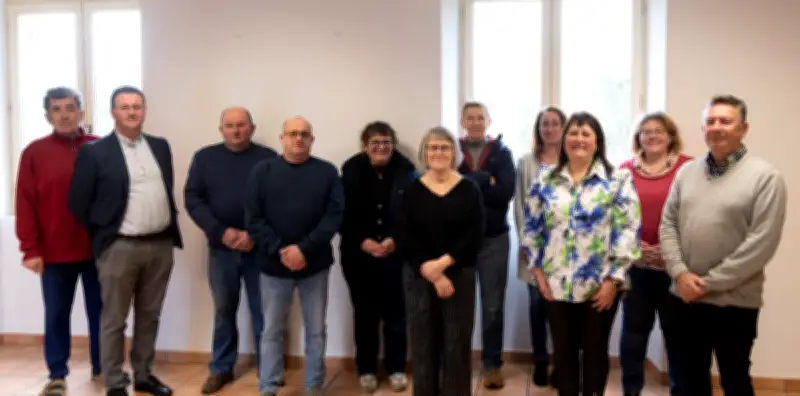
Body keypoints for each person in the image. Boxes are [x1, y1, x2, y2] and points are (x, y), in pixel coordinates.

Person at [660, 95, 787, 396]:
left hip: (734, 303)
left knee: (735, 381)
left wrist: (707, 283)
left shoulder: (765, 177)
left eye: (726, 121)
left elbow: (761, 244)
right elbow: (668, 226)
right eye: (711, 121)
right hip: (684, 298)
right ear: (703, 127)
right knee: (688, 382)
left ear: (743, 129)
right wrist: (680, 274)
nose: (717, 127)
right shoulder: (686, 173)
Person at [69, 85, 183, 396]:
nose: (132, 112)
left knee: (150, 315)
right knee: (114, 318)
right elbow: (79, 202)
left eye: (138, 106)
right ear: (113, 112)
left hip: (160, 245)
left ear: (144, 110)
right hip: (119, 247)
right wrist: (104, 232)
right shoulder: (94, 152)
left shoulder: (160, 146)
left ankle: (144, 375)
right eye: (125, 107)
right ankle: (116, 381)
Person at [522, 112, 641, 396]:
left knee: (595, 354)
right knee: (563, 356)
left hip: (600, 286)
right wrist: (538, 273)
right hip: (555, 286)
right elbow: (531, 228)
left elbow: (628, 229)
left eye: (586, 133)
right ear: (564, 142)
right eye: (573, 133)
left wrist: (613, 280)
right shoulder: (545, 178)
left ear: (597, 142)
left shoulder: (618, 179)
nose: (578, 139)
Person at [245, 116, 344, 396]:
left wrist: (304, 249)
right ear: (282, 138)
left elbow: (333, 216)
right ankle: (269, 383)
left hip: (315, 265)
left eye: (304, 134)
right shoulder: (262, 171)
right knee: (272, 329)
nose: (298, 139)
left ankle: (313, 384)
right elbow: (253, 217)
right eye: (292, 134)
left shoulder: (327, 172)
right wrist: (280, 250)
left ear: (312, 139)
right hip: (273, 266)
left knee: (315, 330)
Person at [14, 87, 102, 396]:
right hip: (53, 253)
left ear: (81, 111)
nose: (64, 115)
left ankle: (103, 368)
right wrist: (30, 249)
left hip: (98, 250)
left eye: (69, 108)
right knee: (56, 315)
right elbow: (24, 203)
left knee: (103, 313)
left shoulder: (101, 147)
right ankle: (57, 374)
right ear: (48, 116)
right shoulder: (34, 153)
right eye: (57, 110)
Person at [184, 106, 278, 393]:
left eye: (241, 125)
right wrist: (221, 232)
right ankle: (221, 368)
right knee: (224, 311)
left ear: (252, 127)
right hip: (221, 250)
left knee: (264, 312)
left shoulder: (268, 158)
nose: (236, 131)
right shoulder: (205, 158)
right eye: (229, 126)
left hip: (258, 249)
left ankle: (269, 370)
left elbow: (277, 201)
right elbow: (193, 199)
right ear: (220, 129)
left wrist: (254, 234)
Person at [396, 126, 485, 396]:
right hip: (419, 276)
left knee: (457, 347)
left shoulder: (469, 189)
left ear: (454, 152)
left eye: (445, 147)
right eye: (433, 147)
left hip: (459, 276)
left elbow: (474, 234)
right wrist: (430, 270)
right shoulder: (411, 191)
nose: (439, 152)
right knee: (423, 346)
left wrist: (443, 265)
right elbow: (404, 234)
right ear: (424, 152)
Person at [339, 121, 416, 393]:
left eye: (386, 142)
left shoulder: (407, 170)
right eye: (375, 143)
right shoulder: (350, 170)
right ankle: (367, 369)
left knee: (396, 315)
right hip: (359, 257)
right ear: (365, 146)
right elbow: (341, 213)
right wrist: (364, 242)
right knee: (365, 315)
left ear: (393, 145)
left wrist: (396, 240)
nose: (381, 147)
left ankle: (396, 368)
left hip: (397, 256)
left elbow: (413, 213)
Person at [618, 112, 692, 396]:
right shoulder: (625, 170)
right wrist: (636, 248)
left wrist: (670, 251)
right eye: (645, 131)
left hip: (675, 268)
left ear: (671, 135)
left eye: (659, 130)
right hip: (636, 267)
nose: (652, 135)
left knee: (678, 339)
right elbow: (618, 217)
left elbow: (696, 214)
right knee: (634, 337)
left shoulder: (689, 167)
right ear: (638, 138)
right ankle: (631, 391)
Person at [456, 102, 515, 389]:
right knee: (459, 306)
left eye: (481, 117)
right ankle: (458, 363)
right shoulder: (452, 150)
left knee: (492, 307)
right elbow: (448, 190)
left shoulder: (502, 153)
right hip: (460, 241)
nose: (476, 122)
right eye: (470, 117)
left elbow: (505, 193)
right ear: (462, 122)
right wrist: (484, 180)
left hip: (495, 239)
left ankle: (492, 365)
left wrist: (468, 182)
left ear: (489, 122)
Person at [513, 106, 565, 387]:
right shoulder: (526, 162)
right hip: (534, 248)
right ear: (538, 129)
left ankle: (561, 363)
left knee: (561, 310)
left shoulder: (573, 161)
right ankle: (541, 361)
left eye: (555, 123)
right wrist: (526, 241)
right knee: (537, 308)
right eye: (544, 124)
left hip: (565, 250)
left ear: (563, 128)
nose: (549, 128)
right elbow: (520, 203)